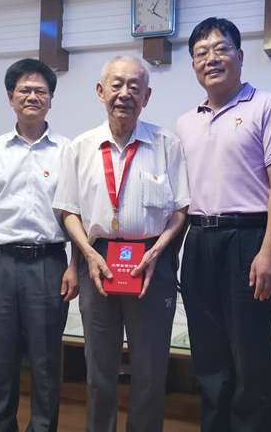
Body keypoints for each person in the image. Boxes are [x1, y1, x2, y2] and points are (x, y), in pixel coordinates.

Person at [53, 56, 190, 432]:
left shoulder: (167, 144)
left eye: (134, 86)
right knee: (99, 368)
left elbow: (182, 210)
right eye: (116, 84)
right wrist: (88, 254)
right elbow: (68, 211)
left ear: (146, 96)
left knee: (150, 369)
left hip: (153, 261)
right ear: (101, 91)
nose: (125, 93)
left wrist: (158, 250)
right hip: (97, 261)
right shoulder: (81, 147)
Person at [175, 17, 271, 432]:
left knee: (250, 354)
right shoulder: (185, 123)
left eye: (221, 48)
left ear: (240, 56)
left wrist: (270, 251)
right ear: (193, 64)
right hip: (198, 239)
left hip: (250, 239)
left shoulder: (267, 105)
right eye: (201, 52)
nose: (211, 58)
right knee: (208, 355)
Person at [0, 58, 79, 432]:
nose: (33, 97)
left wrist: (74, 265)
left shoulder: (68, 151)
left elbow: (77, 215)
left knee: (45, 361)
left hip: (49, 263)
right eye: (25, 90)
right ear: (10, 97)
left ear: (51, 99)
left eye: (40, 91)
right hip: (0, 263)